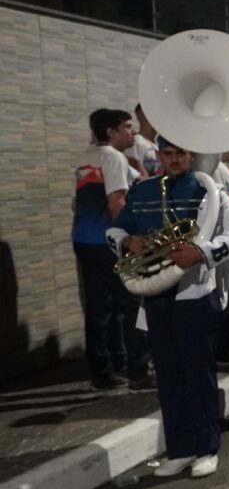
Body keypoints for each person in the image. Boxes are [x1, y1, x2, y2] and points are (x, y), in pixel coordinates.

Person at [109, 135, 229, 478]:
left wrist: (201, 252)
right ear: (159, 155)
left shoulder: (209, 190)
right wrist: (127, 240)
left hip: (194, 295)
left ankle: (207, 447)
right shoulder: (142, 191)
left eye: (180, 153)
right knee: (169, 377)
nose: (174, 159)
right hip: (156, 296)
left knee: (199, 375)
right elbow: (113, 229)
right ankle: (180, 449)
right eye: (167, 153)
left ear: (191, 154)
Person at [74, 108, 151, 390]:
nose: (133, 132)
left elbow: (75, 204)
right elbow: (116, 203)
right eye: (127, 127)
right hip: (109, 243)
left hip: (83, 240)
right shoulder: (114, 158)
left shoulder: (85, 158)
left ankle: (103, 374)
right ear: (111, 132)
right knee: (133, 304)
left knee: (98, 309)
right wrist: (129, 240)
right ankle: (138, 373)